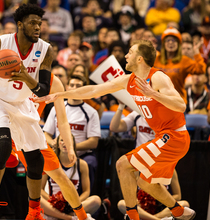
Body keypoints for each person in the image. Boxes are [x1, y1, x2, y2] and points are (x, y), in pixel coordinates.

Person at [35, 40, 196, 220]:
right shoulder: (129, 80)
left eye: (130, 52)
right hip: (164, 136)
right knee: (145, 183)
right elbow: (94, 90)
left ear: (140, 59)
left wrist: (153, 94)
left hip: (175, 135)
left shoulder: (158, 77)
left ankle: (132, 216)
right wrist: (62, 94)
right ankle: (178, 211)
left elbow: (181, 106)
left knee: (122, 164)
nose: (126, 55)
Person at [0, 3, 79, 219]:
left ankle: (34, 212)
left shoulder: (46, 49)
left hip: (21, 104)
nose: (38, 27)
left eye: (40, 23)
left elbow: (43, 91)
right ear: (20, 25)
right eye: (32, 23)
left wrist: (26, 77)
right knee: (2, 145)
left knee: (36, 160)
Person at [0, 75, 94, 220]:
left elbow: (63, 120)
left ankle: (81, 216)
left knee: (60, 175)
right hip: (6, 127)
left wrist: (71, 147)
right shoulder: (13, 71)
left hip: (30, 132)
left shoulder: (54, 82)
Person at [110, 102, 191, 219]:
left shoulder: (165, 114)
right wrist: (121, 106)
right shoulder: (137, 113)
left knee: (142, 180)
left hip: (161, 154)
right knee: (124, 199)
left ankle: (145, 216)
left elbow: (178, 195)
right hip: (141, 157)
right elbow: (114, 127)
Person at [43, 75, 101, 191]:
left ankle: (84, 198)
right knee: (43, 160)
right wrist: (55, 143)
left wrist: (70, 147)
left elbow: (93, 142)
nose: (74, 88)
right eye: (72, 85)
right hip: (59, 153)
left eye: (78, 86)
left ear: (84, 89)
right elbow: (46, 134)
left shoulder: (91, 112)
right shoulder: (57, 108)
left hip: (82, 154)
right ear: (66, 87)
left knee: (90, 162)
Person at [41, 134, 101, 220]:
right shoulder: (50, 163)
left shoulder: (82, 164)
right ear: (58, 144)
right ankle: (70, 218)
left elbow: (86, 191)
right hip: (53, 205)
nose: (65, 143)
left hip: (73, 206)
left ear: (73, 144)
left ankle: (64, 216)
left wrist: (74, 203)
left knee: (96, 200)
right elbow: (40, 189)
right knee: (36, 199)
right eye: (62, 140)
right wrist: (53, 201)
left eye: (68, 141)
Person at [153, 27, 206, 103]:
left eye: (174, 40)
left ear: (179, 44)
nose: (171, 42)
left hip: (177, 103)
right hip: (158, 102)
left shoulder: (184, 60)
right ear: (163, 43)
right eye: (168, 40)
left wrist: (196, 52)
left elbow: (200, 70)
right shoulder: (156, 59)